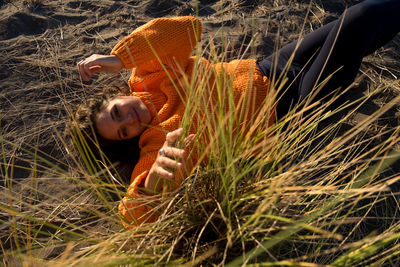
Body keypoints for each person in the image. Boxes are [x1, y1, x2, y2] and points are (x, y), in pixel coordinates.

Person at [74, 0, 400, 228]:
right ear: (130, 141)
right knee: (360, 19)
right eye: (123, 132)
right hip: (291, 108)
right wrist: (153, 183)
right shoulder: (157, 142)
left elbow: (189, 29)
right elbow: (132, 215)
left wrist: (121, 57)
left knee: (354, 30)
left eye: (117, 113)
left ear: (116, 96)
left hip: (270, 67)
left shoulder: (146, 76)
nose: (130, 121)